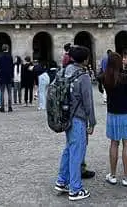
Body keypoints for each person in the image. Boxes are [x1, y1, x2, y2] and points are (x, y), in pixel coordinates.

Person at [53, 45, 95, 202]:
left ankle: (62, 181)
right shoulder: (83, 76)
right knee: (77, 152)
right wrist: (92, 122)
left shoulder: (64, 71)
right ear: (85, 60)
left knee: (69, 149)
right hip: (78, 117)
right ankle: (75, 189)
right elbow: (88, 102)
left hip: (65, 116)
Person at [100, 52, 127, 187]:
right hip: (126, 114)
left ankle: (112, 175)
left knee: (114, 143)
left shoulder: (105, 78)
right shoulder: (125, 78)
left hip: (112, 114)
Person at [0, 44, 15, 112]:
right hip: (9, 76)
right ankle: (10, 107)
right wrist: (12, 76)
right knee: (9, 92)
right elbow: (12, 67)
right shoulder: (10, 56)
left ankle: (2, 107)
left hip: (2, 76)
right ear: (7, 48)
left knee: (2, 92)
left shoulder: (0, 56)